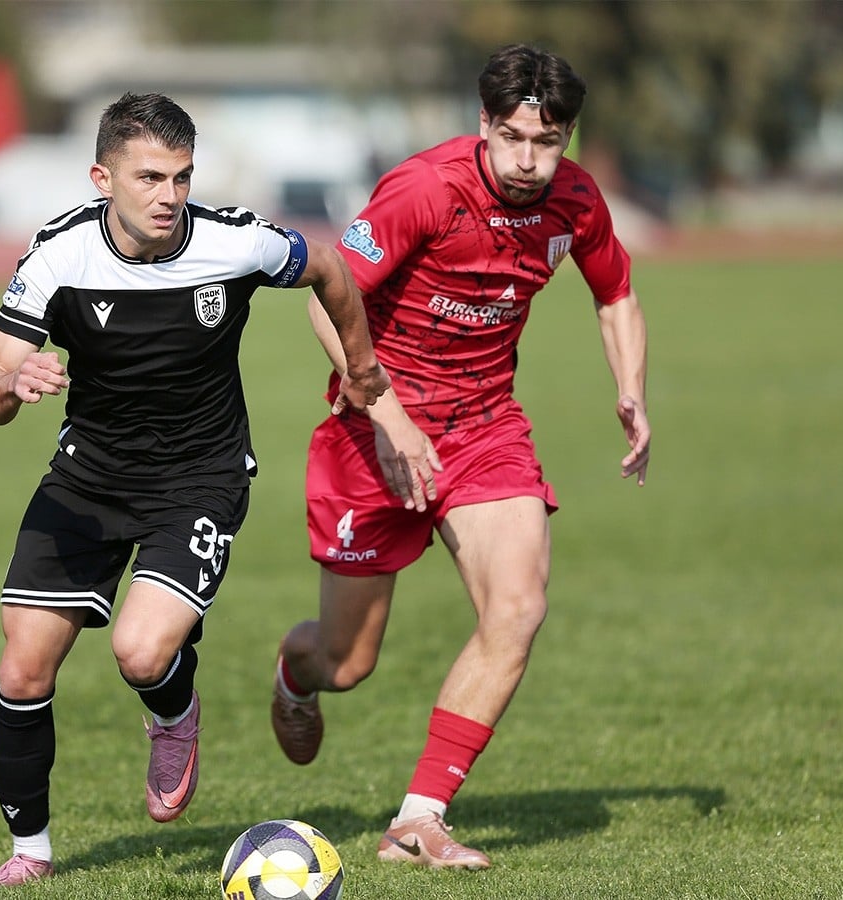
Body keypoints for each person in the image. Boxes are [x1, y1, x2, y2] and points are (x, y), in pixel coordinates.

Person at [0, 91, 389, 886]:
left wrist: (361, 367)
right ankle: (32, 853)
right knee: (24, 668)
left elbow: (330, 268)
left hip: (200, 476)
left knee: (140, 650)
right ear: (103, 178)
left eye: (182, 177)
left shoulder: (235, 242)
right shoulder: (58, 255)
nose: (168, 196)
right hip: (88, 476)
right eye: (149, 177)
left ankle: (174, 713)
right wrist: (12, 381)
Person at [271, 44, 651, 871]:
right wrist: (388, 412)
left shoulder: (576, 202)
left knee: (517, 607)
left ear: (568, 138)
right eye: (512, 138)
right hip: (370, 430)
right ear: (484, 124)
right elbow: (327, 304)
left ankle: (419, 818)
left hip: (484, 427)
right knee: (349, 661)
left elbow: (615, 292)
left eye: (546, 144)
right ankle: (297, 671)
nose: (526, 161)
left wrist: (631, 389)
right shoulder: (425, 188)